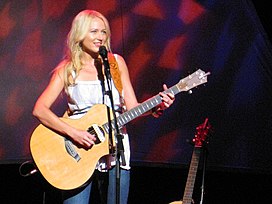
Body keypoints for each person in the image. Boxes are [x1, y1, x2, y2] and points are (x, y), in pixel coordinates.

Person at [32, 9, 175, 204]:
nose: (100, 37)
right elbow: (40, 109)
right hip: (77, 150)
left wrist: (156, 107)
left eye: (104, 32)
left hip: (115, 148)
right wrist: (74, 133)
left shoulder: (116, 63)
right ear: (80, 34)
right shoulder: (67, 70)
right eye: (94, 32)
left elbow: (131, 108)